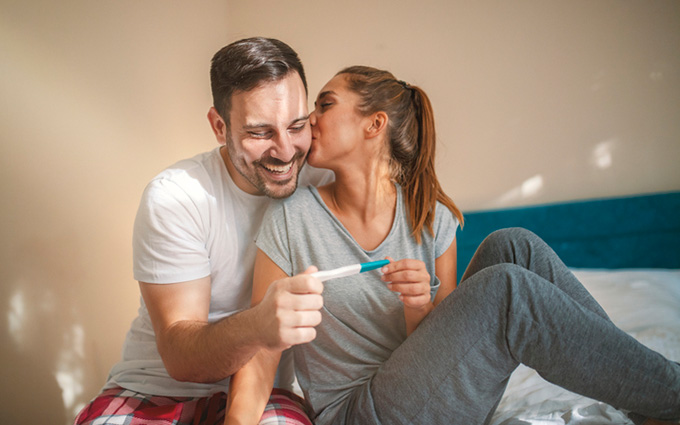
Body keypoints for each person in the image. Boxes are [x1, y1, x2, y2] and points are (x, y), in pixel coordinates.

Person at [225, 66, 680, 425]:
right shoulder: (290, 217)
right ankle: (671, 392)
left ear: (374, 124)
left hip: (436, 402)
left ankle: (650, 400)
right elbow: (262, 350)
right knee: (505, 290)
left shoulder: (431, 215)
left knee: (513, 245)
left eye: (325, 104)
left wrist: (417, 306)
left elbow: (444, 360)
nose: (308, 121)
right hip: (358, 413)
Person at [74, 37, 332, 425]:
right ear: (218, 125)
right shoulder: (176, 196)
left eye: (296, 126)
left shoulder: (324, 182)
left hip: (268, 395)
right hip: (154, 388)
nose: (284, 150)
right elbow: (181, 357)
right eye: (260, 133)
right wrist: (260, 325)